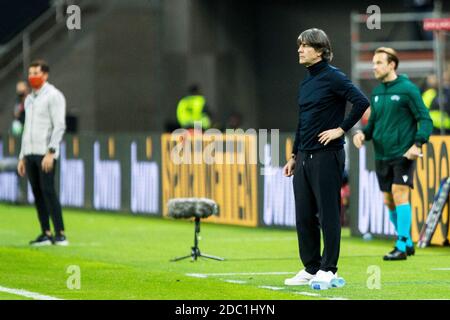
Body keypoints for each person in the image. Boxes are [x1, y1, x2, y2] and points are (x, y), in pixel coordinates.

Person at [283, 28, 370, 289]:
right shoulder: (306, 82)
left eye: (305, 46)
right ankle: (311, 267)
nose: (299, 50)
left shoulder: (333, 78)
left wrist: (341, 129)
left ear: (320, 50)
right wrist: (293, 155)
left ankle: (328, 269)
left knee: (328, 213)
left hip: (327, 156)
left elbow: (361, 101)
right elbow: (303, 121)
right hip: (304, 157)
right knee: (304, 215)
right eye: (299, 45)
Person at [353, 47, 433, 260]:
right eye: (373, 63)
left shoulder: (408, 89)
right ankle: (406, 241)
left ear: (392, 65)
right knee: (389, 200)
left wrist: (417, 144)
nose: (374, 67)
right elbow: (373, 125)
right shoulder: (377, 92)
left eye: (379, 62)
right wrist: (362, 134)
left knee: (399, 193)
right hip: (381, 155)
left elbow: (425, 119)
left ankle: (401, 244)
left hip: (403, 153)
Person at [17, 59, 68, 246]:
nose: (32, 77)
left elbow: (59, 125)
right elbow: (26, 128)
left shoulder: (54, 95)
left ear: (45, 75)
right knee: (37, 193)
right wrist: (22, 156)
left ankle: (60, 232)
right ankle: (45, 232)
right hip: (30, 152)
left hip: (45, 152)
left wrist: (51, 152)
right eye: (30, 74)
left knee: (48, 191)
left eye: (36, 73)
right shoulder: (29, 99)